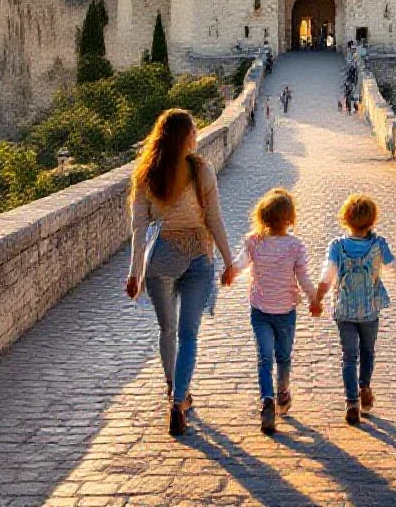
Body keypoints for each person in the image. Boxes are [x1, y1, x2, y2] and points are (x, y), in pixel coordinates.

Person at [125, 108, 236, 437]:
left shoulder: (145, 173)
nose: (197, 136)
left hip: (161, 258)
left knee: (167, 331)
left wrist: (134, 274)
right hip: (199, 256)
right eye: (193, 131)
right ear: (185, 137)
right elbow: (214, 219)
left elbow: (138, 229)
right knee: (189, 335)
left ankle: (173, 387)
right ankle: (178, 401)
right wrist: (229, 261)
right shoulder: (201, 169)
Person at [232, 188, 318, 435]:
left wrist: (230, 272)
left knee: (264, 358)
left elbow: (240, 263)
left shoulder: (254, 241)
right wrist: (314, 298)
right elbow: (303, 278)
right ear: (290, 219)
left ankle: (268, 399)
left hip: (260, 310)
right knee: (283, 356)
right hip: (285, 312)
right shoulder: (295, 246)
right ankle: (280, 394)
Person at [311, 194, 396, 426]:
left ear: (346, 218)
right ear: (372, 219)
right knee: (368, 351)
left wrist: (317, 300)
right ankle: (365, 386)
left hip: (345, 311)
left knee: (349, 356)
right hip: (370, 310)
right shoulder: (378, 244)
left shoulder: (337, 246)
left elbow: (326, 278)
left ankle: (351, 402)